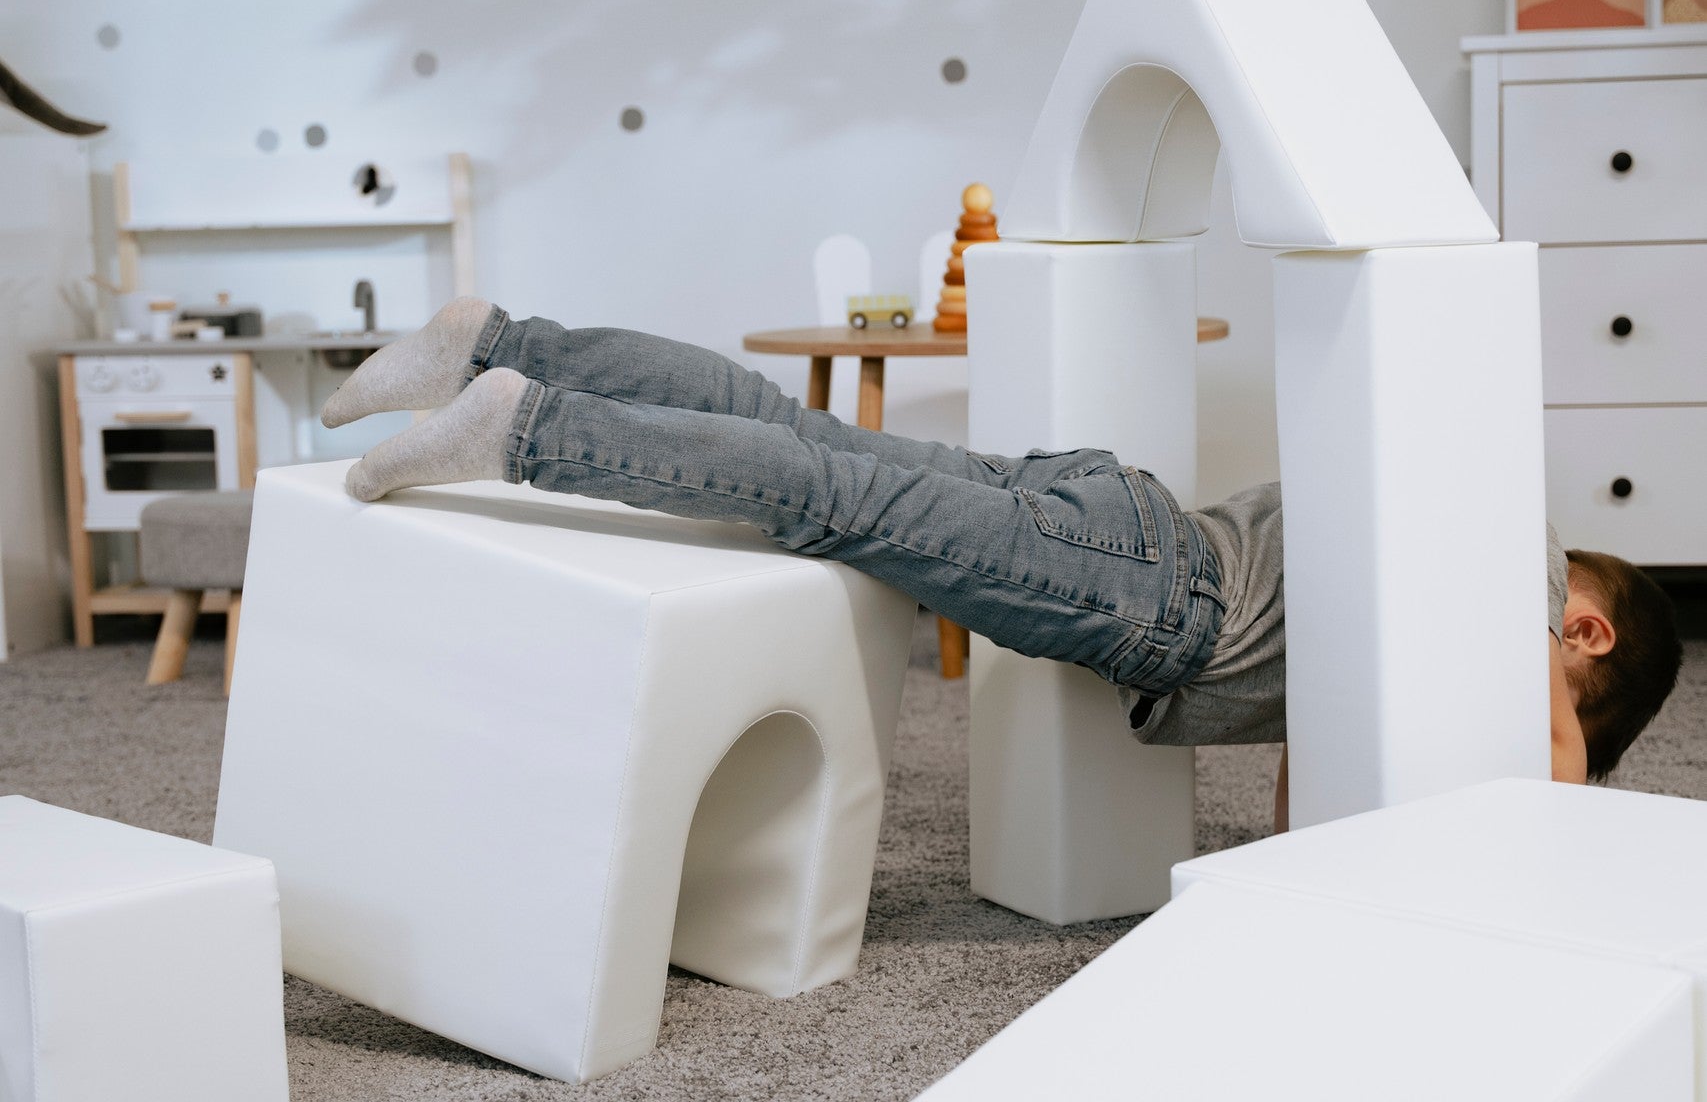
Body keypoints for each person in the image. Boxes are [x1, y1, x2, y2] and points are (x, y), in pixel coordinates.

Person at [323, 299, 1682, 819]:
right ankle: (535, 427)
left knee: (803, 441)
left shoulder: (1425, 547)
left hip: (1124, 516)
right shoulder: (1512, 582)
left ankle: (502, 343)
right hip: (1147, 590)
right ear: (1588, 632)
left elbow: (1301, 802)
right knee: (819, 494)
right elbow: (1541, 788)